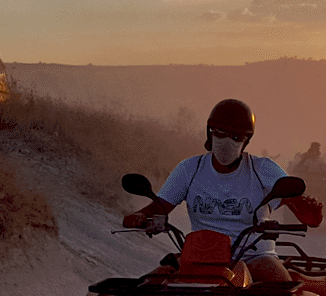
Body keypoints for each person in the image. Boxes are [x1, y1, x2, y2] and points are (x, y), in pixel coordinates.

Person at [123, 98, 315, 282]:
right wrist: (138, 217)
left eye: (235, 137)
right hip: (200, 258)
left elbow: (305, 212)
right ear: (210, 133)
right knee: (149, 286)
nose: (227, 141)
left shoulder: (263, 169)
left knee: (284, 292)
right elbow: (160, 207)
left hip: (254, 257)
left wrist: (309, 209)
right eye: (221, 133)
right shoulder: (190, 169)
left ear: (246, 140)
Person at [289, 142, 326, 229]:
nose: (313, 153)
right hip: (307, 186)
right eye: (312, 151)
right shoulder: (305, 162)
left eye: (315, 151)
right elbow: (296, 172)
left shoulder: (321, 162)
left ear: (317, 153)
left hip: (321, 187)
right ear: (310, 152)